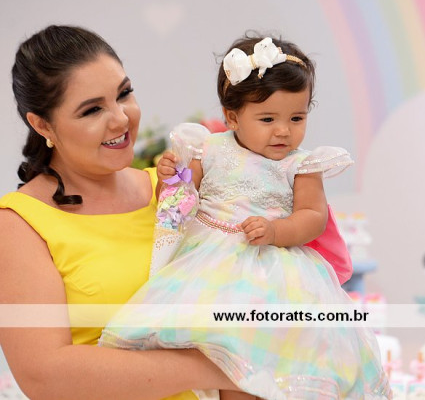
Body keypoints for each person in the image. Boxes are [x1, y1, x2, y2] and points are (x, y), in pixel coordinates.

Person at [99, 35, 391, 400]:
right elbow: (179, 205)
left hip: (276, 271)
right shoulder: (207, 149)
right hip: (210, 265)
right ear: (232, 117)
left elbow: (313, 216)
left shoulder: (301, 165)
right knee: (223, 355)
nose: (284, 130)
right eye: (268, 119)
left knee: (283, 353)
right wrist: (171, 179)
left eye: (297, 118)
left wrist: (277, 230)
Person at [0, 24, 241, 400]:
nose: (121, 119)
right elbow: (43, 374)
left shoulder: (173, 188)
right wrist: (229, 365)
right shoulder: (19, 224)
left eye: (124, 94)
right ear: (42, 124)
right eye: (92, 110)